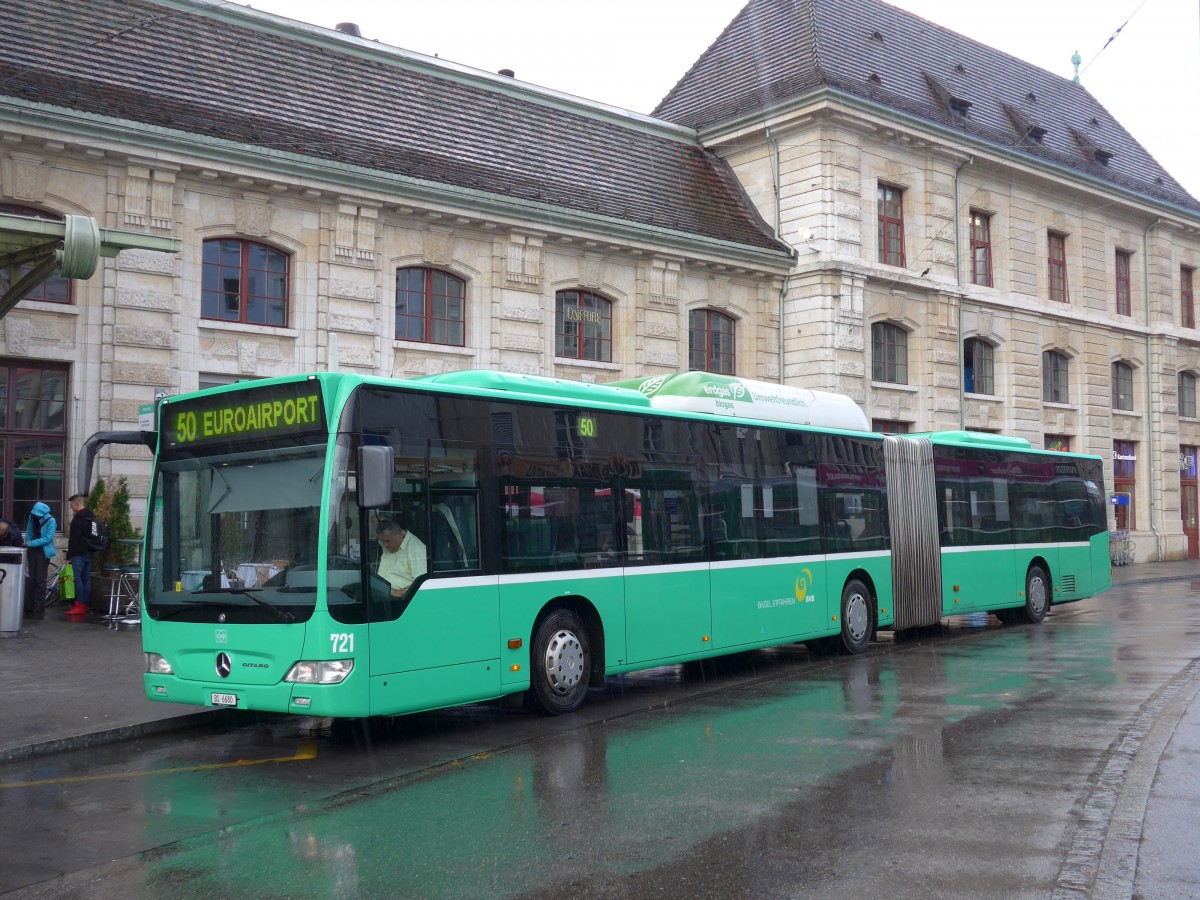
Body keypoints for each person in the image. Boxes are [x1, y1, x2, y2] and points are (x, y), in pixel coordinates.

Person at [376, 517, 426, 597]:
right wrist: (388, 523)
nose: (385, 545)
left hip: (398, 600)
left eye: (388, 541)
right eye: (383, 541)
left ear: (400, 535)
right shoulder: (388, 540)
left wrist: (396, 593)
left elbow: (422, 584)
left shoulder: (416, 549)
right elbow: (374, 518)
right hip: (379, 593)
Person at [65, 494, 97, 616]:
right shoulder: (91, 517)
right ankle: (84, 605)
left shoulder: (77, 520)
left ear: (77, 504)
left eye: (72, 505)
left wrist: (68, 557)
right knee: (86, 579)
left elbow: (73, 540)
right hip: (90, 552)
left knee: (77, 579)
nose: (71, 507)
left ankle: (79, 605)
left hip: (78, 554)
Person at [23, 501, 57, 619]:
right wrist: (28, 544)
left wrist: (30, 543)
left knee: (40, 579)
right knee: (31, 578)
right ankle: (29, 604)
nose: (36, 516)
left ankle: (38, 605)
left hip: (43, 552)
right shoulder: (32, 517)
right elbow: (29, 531)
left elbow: (47, 538)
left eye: (38, 515)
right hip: (32, 550)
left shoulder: (51, 521)